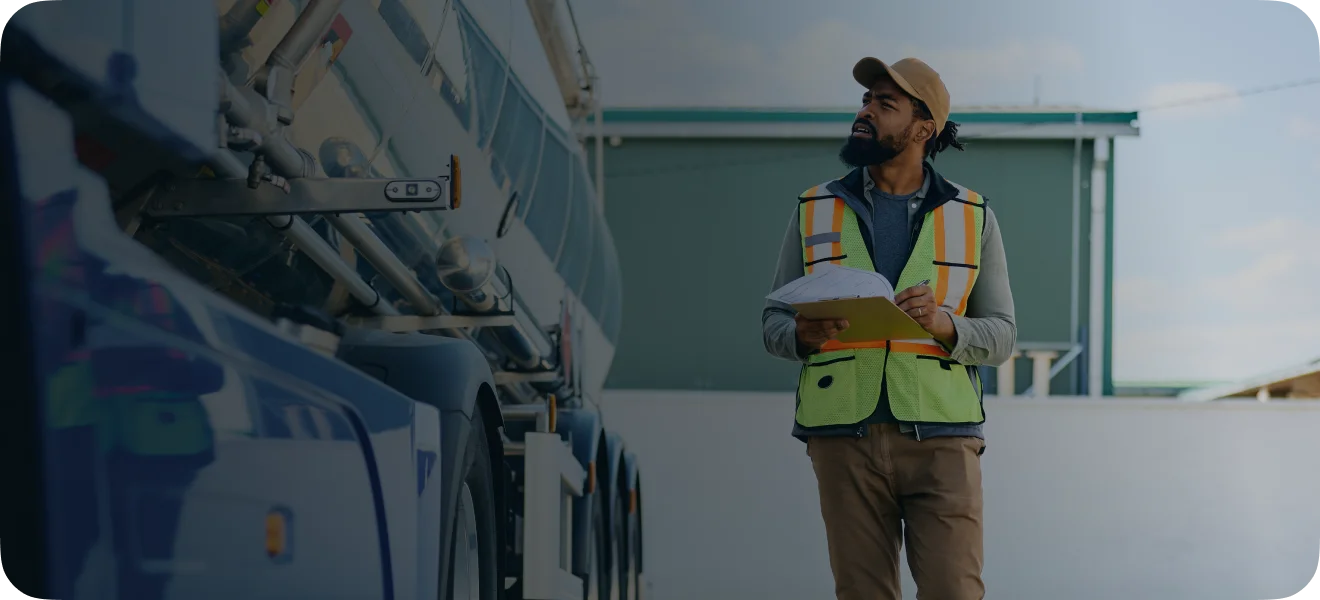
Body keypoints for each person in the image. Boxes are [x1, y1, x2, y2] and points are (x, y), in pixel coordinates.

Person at [761, 56, 1017, 600]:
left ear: (923, 127)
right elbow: (773, 322)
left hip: (943, 438)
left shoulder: (973, 215)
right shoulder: (814, 208)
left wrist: (947, 325)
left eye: (884, 104)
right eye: (865, 100)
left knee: (956, 591)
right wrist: (802, 337)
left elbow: (1002, 335)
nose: (865, 112)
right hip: (843, 436)